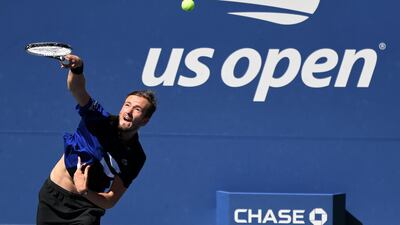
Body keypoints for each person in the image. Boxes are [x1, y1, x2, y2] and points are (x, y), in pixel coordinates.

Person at [36, 54, 157, 225]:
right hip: (53, 197)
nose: (128, 112)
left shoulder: (136, 156)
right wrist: (77, 69)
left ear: (145, 120)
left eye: (137, 109)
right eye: (127, 105)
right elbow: (77, 89)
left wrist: (85, 191)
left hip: (86, 207)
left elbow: (111, 200)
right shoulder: (99, 119)